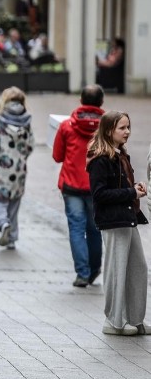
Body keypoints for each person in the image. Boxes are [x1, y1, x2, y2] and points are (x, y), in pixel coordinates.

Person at [87, 111, 148, 336]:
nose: (127, 132)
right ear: (109, 130)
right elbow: (100, 194)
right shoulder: (100, 159)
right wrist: (131, 192)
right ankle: (114, 320)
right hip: (113, 220)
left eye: (128, 127)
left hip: (127, 217)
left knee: (137, 269)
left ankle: (135, 318)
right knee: (116, 269)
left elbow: (121, 187)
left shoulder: (120, 154)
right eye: (122, 128)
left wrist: (134, 190)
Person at [52, 85, 105, 287]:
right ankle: (94, 269)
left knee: (76, 228)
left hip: (72, 185)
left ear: (81, 100)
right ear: (101, 102)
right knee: (95, 229)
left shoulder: (67, 126)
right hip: (97, 186)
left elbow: (57, 156)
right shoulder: (107, 127)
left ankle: (82, 274)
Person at [0, 87, 34, 250]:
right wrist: (22, 158)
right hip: (19, 169)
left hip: (0, 167)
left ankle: (3, 223)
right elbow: (30, 145)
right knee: (14, 202)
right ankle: (12, 238)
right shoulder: (27, 121)